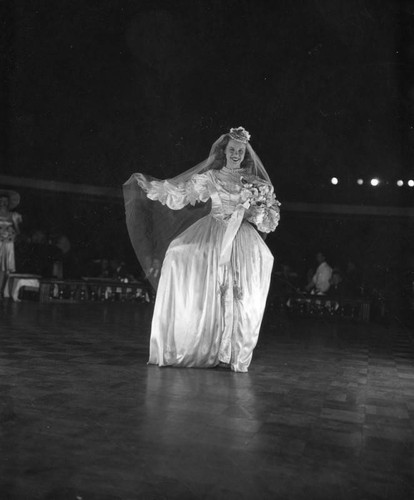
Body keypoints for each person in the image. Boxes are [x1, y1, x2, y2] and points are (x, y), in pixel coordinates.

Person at [123, 127, 280, 372]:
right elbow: (182, 193)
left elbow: (269, 221)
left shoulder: (257, 183)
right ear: (224, 151)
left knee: (239, 293)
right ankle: (203, 345)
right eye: (232, 149)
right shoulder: (212, 177)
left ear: (246, 154)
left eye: (240, 150)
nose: (236, 154)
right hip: (214, 230)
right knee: (180, 253)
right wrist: (154, 187)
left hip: (242, 238)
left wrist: (256, 211)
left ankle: (233, 352)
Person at [0, 189, 22, 297]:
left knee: (4, 269)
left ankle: (1, 292)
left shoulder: (14, 215)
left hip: (7, 244)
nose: (3, 203)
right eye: (1, 200)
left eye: (5, 201)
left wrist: (13, 233)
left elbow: (18, 232)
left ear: (8, 202)